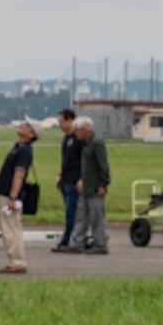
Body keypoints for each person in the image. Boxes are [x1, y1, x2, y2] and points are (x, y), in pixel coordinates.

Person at [0, 121, 36, 275]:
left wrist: (13, 196)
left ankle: (17, 261)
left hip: (10, 194)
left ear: (32, 135)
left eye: (27, 126)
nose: (23, 126)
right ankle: (16, 260)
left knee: (10, 228)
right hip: (5, 192)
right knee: (11, 227)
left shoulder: (24, 150)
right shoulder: (19, 147)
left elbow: (19, 173)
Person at [70, 120, 109, 255]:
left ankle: (100, 244)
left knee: (96, 217)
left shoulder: (96, 143)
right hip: (86, 186)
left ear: (85, 130)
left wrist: (103, 184)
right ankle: (77, 243)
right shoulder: (86, 144)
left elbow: (103, 166)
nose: (75, 134)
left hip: (95, 187)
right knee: (81, 216)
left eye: (77, 130)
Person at [52, 108, 81, 254]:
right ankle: (71, 238)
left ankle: (68, 239)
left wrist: (81, 178)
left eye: (62, 121)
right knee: (69, 212)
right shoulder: (66, 139)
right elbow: (66, 161)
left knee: (72, 212)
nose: (60, 125)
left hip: (75, 181)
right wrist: (60, 175)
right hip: (66, 180)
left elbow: (84, 161)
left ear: (70, 121)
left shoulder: (78, 138)